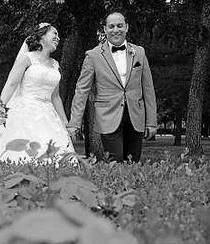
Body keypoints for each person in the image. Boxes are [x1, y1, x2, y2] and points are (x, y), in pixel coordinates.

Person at [66, 12, 157, 162]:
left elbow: (148, 89)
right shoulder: (93, 56)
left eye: (120, 26)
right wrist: (74, 123)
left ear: (126, 27)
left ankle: (131, 186)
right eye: (111, 26)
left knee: (133, 161)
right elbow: (82, 91)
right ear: (105, 29)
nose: (116, 30)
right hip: (108, 115)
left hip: (135, 116)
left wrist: (151, 122)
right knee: (115, 160)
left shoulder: (139, 52)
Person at [0, 22, 76, 164]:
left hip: (49, 114)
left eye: (59, 35)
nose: (58, 38)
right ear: (42, 36)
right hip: (24, 112)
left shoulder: (55, 64)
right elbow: (11, 84)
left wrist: (66, 123)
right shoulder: (27, 58)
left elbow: (56, 97)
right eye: (54, 33)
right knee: (24, 156)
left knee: (55, 157)